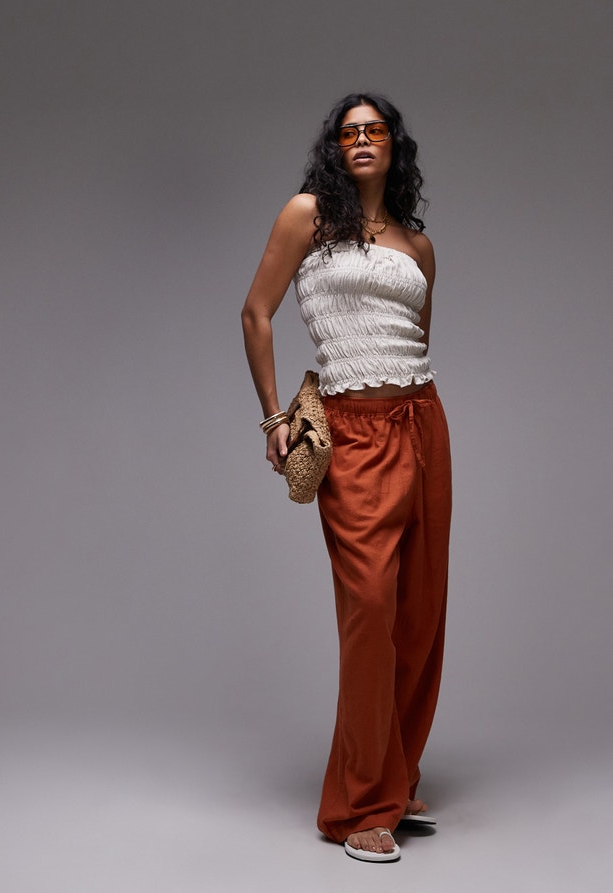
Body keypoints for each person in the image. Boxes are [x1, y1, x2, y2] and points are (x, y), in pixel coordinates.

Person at [241, 92, 451, 863]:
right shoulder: (307, 216)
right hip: (352, 432)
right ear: (336, 148)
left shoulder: (418, 246)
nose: (362, 139)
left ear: (394, 146)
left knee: (419, 611)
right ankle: (359, 805)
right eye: (349, 131)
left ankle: (397, 776)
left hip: (422, 422)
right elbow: (256, 312)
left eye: (375, 130)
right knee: (369, 605)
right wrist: (273, 416)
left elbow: (415, 341)